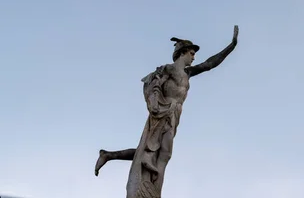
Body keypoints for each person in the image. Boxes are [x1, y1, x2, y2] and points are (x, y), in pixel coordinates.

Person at [94, 25, 239, 197]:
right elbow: (151, 85)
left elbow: (210, 64)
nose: (194, 57)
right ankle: (148, 180)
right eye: (191, 53)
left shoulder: (188, 73)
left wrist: (232, 45)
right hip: (163, 111)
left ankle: (111, 156)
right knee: (160, 151)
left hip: (175, 114)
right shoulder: (168, 69)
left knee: (156, 151)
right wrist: (154, 103)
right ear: (182, 53)